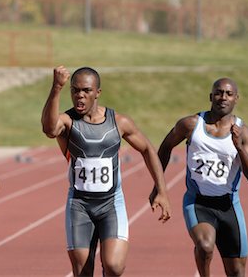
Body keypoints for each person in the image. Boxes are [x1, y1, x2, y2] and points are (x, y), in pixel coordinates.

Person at [41, 66, 171, 276]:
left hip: (111, 204)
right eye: (75, 90)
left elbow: (147, 148)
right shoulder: (67, 121)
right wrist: (56, 87)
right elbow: (49, 129)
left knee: (114, 267)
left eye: (86, 90)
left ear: (97, 93)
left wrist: (162, 191)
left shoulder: (119, 122)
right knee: (83, 272)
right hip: (79, 206)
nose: (79, 96)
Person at [157, 77, 248, 277]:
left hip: (229, 206)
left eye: (229, 94)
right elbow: (165, 147)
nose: (223, 97)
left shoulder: (244, 133)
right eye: (219, 93)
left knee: (237, 272)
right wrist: (158, 187)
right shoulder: (191, 125)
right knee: (205, 246)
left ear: (236, 99)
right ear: (211, 96)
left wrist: (239, 147)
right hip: (198, 202)